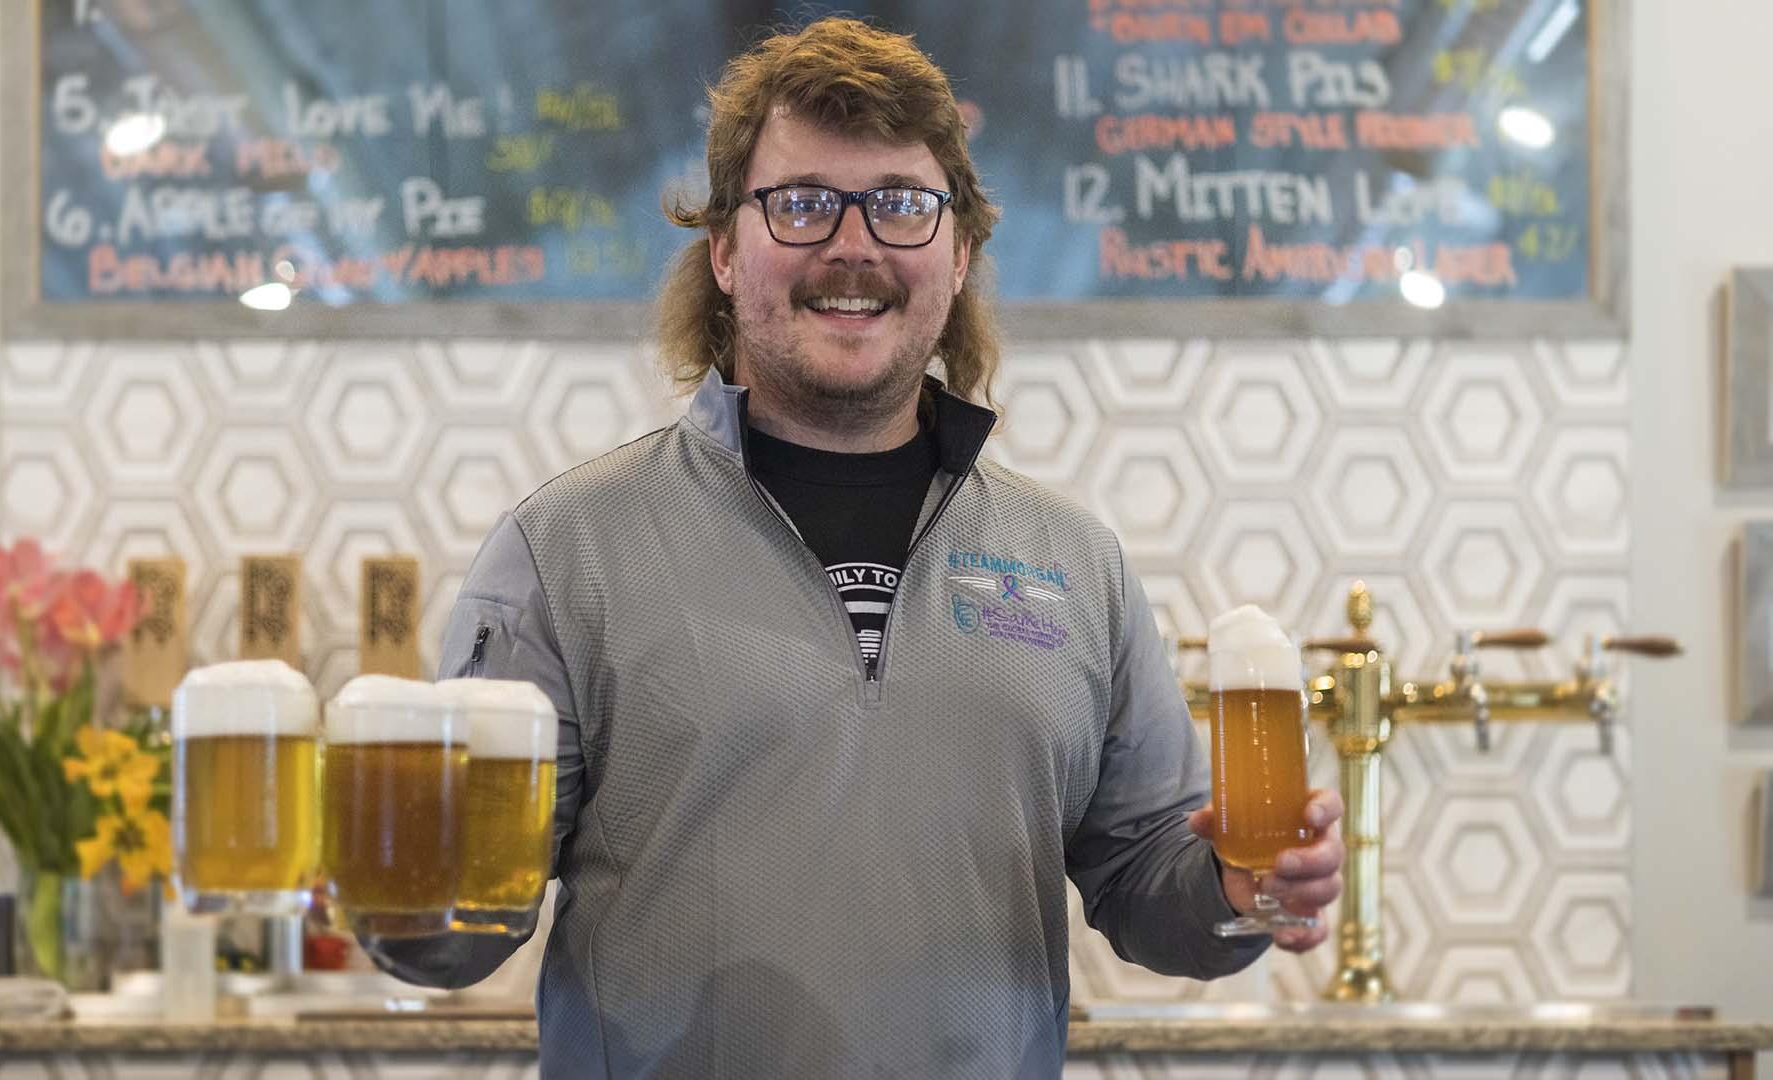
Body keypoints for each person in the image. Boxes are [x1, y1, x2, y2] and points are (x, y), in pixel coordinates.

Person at [368, 16, 1344, 1076]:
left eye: (900, 205)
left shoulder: (1076, 564)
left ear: (960, 253)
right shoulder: (564, 550)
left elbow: (1151, 881)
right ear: (726, 254)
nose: (852, 244)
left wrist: (1240, 890)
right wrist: (400, 896)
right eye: (799, 205)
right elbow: (458, 926)